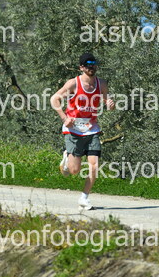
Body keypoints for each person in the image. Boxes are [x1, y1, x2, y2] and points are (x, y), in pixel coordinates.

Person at [51, 52, 114, 210]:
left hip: (92, 129)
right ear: (81, 67)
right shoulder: (74, 84)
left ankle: (84, 198)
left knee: (94, 165)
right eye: (87, 65)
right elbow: (54, 99)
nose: (91, 67)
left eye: (93, 64)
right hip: (73, 129)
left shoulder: (101, 84)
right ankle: (67, 156)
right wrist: (64, 118)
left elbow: (106, 100)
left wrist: (110, 103)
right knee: (74, 170)